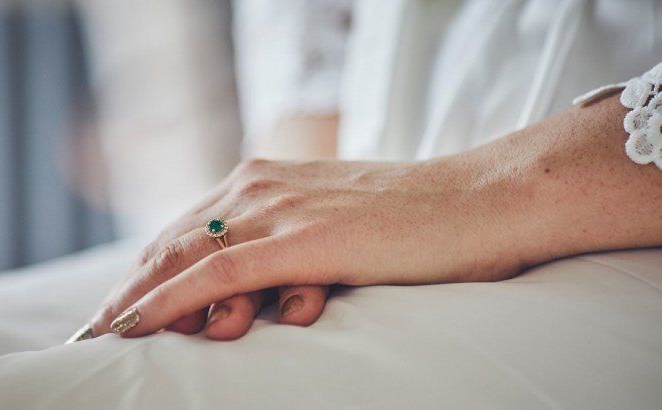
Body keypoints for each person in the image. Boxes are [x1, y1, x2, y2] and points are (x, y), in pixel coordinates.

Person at [80, 0, 662, 341]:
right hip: (355, 203)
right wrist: (299, 200)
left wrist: (455, 195)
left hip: (611, 241)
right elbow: (306, 32)